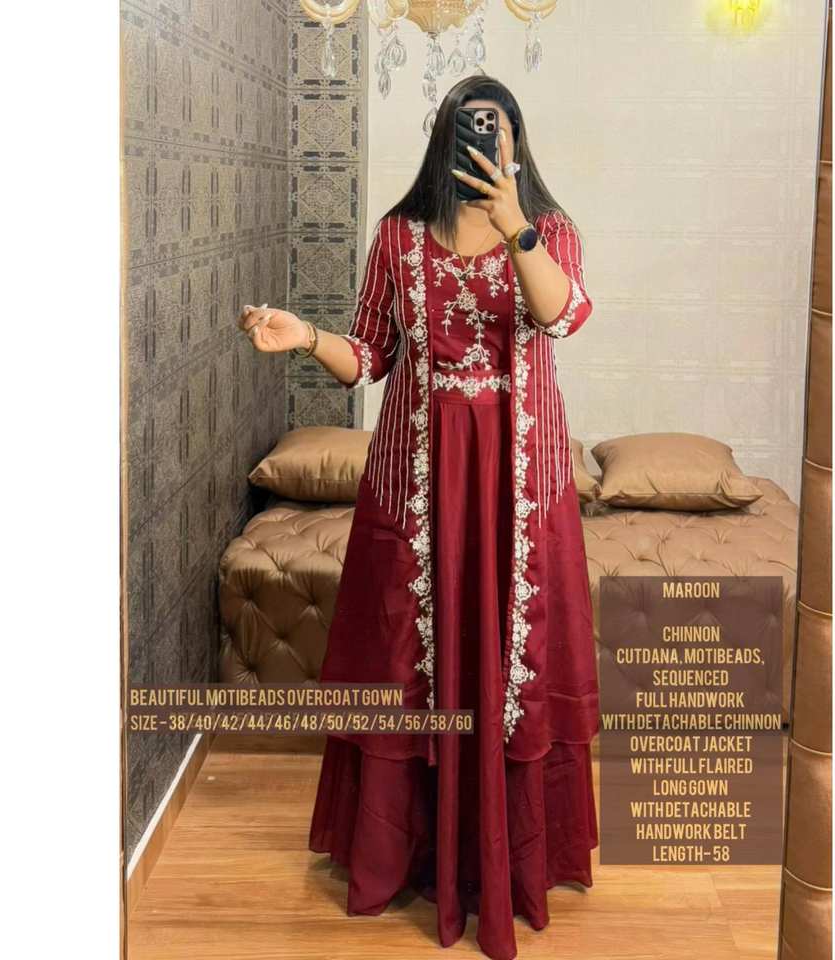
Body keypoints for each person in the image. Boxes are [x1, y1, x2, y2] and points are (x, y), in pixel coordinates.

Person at [239, 75, 598, 960]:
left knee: (514, 658)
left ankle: (508, 861)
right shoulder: (398, 238)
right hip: (419, 484)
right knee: (408, 657)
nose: (485, 140)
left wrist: (514, 222)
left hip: (520, 486)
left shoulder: (549, 231)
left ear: (516, 142)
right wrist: (305, 335)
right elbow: (370, 355)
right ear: (444, 138)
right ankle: (409, 853)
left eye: (499, 128)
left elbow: (563, 315)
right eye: (470, 127)